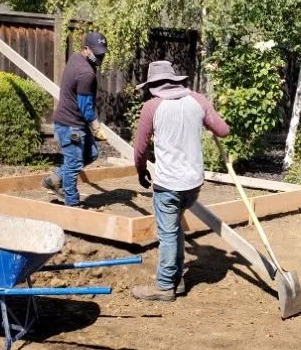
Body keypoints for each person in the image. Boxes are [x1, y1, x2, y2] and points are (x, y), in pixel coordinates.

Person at [132, 60, 230, 302]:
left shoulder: (152, 107)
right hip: (193, 184)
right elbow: (223, 130)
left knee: (167, 233)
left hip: (168, 184)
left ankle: (165, 286)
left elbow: (140, 148)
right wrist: (205, 120)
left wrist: (141, 170)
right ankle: (177, 279)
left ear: (153, 85)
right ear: (174, 80)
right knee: (174, 227)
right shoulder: (197, 100)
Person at [43, 31, 109, 207]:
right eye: (97, 53)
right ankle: (72, 203)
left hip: (74, 121)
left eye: (102, 53)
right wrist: (96, 128)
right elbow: (85, 108)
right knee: (73, 165)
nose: (100, 56)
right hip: (70, 126)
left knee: (91, 154)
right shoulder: (86, 73)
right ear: (86, 49)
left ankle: (55, 179)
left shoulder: (75, 58)